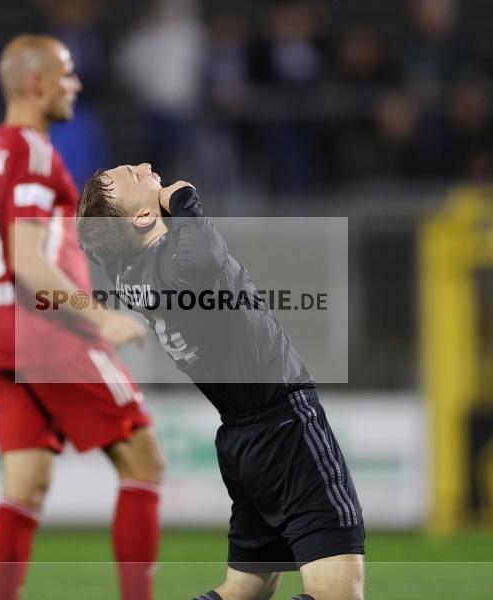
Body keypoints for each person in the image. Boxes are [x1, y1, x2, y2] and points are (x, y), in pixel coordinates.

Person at [77, 164, 365, 600]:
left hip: (242, 442)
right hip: (285, 426)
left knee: (243, 590)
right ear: (140, 219)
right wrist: (183, 199)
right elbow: (203, 257)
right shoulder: (176, 267)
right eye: (134, 177)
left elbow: (113, 246)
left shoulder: (130, 272)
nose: (144, 167)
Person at [0, 37, 165, 600]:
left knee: (24, 488)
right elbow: (29, 261)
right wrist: (98, 317)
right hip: (49, 336)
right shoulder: (31, 151)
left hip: (2, 338)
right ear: (37, 84)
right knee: (144, 462)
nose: (75, 85)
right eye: (67, 75)